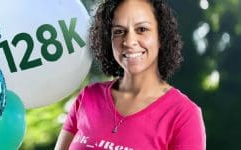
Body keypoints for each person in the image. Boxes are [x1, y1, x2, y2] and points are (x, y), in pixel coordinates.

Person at [54, 0, 206, 149]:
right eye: (119, 31)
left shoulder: (184, 115)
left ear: (161, 36)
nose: (129, 41)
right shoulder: (88, 97)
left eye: (142, 29)